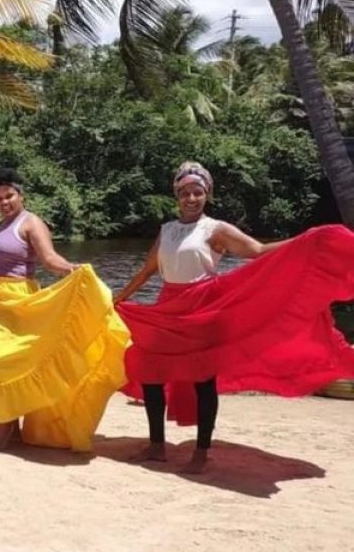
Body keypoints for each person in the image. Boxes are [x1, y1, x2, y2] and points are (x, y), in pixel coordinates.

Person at [114, 161, 354, 472]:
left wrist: (304, 240)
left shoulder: (215, 229)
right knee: (149, 370)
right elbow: (148, 270)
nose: (191, 198)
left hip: (203, 308)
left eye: (197, 192)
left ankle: (201, 452)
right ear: (176, 195)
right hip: (168, 307)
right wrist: (119, 297)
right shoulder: (167, 230)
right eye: (185, 192)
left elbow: (256, 250)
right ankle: (157, 446)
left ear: (207, 194)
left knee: (202, 379)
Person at [0, 168, 129, 451]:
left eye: (9, 196)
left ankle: (5, 431)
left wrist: (73, 269)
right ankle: (9, 426)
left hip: (16, 302)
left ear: (21, 195)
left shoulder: (31, 223)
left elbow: (49, 259)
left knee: (4, 362)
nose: (4, 202)